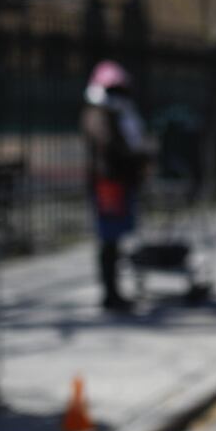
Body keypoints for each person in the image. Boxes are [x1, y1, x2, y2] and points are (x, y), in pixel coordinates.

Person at [81, 60, 150, 313]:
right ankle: (110, 294)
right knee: (109, 240)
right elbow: (110, 146)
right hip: (107, 184)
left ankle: (114, 291)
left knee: (116, 239)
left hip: (118, 182)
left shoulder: (118, 112)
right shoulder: (98, 113)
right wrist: (136, 155)